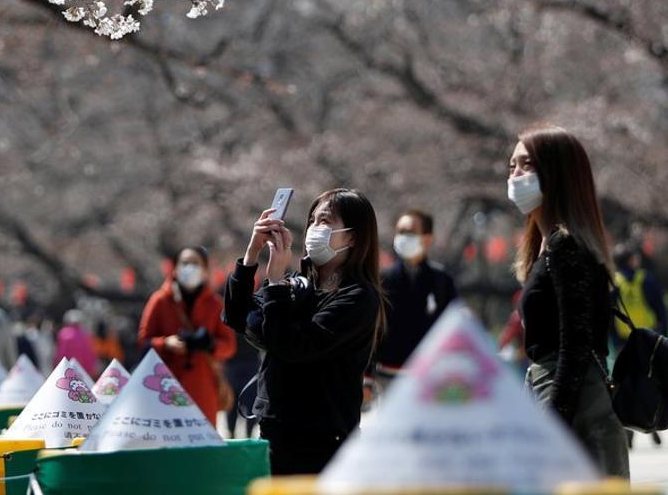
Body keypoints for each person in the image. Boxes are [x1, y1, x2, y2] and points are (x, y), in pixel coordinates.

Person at [222, 188, 384, 476]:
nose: (313, 229)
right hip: (277, 430)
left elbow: (293, 345)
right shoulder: (297, 285)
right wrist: (251, 256)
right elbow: (238, 317)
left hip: (322, 441)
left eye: (325, 222)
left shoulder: (358, 297)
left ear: (353, 236)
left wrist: (275, 284)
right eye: (312, 221)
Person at [509, 125, 629, 478]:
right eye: (511, 166)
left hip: (574, 401)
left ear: (556, 173)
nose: (515, 176)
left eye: (526, 165)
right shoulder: (545, 245)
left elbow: (575, 345)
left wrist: (553, 424)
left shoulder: (566, 246)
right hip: (557, 391)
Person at [139, 246, 238, 423]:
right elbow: (143, 341)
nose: (189, 268)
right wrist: (166, 343)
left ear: (205, 270)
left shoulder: (215, 304)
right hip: (165, 387)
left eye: (195, 263)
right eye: (185, 263)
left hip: (203, 388)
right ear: (175, 268)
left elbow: (229, 347)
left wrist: (210, 344)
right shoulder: (160, 300)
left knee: (203, 443)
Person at [375, 209, 457, 376]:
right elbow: (372, 329)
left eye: (410, 232)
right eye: (400, 232)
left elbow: (452, 329)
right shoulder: (382, 279)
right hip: (387, 374)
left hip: (429, 377)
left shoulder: (442, 281)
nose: (404, 237)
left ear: (427, 239)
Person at [612, 243, 668, 448]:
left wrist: (613, 341)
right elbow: (661, 309)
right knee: (649, 385)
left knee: (626, 388)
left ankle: (628, 432)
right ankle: (652, 425)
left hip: (623, 343)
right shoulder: (646, 279)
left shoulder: (613, 282)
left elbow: (608, 315)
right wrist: (665, 335)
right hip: (647, 339)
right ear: (631, 260)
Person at [54, 309, 99, 375]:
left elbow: (60, 352)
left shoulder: (63, 333)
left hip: (67, 368)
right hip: (84, 369)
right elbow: (90, 353)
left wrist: (56, 365)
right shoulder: (85, 334)